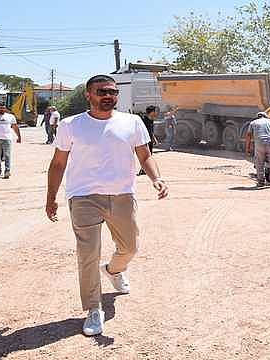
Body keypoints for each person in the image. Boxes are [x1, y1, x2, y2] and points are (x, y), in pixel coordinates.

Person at [45, 75, 169, 336]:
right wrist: (51, 197)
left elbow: (144, 154)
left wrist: (156, 178)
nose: (108, 96)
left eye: (112, 92)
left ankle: (114, 270)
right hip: (83, 197)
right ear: (88, 95)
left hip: (122, 194)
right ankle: (93, 308)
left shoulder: (132, 122)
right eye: (102, 91)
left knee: (130, 247)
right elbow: (58, 164)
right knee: (87, 253)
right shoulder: (70, 125)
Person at [245, 111, 270, 187]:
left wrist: (247, 148)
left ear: (257, 117)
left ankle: (261, 182)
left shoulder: (253, 123)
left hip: (260, 144)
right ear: (265, 116)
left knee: (259, 163)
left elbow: (248, 135)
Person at [0, 102, 22, 178]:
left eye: (2, 108)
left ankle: (7, 171)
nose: (1, 109)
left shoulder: (10, 116)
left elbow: (15, 126)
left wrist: (19, 136)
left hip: (7, 138)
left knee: (7, 155)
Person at [138, 105, 159, 175]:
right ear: (152, 112)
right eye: (155, 111)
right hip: (144, 141)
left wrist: (154, 139)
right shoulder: (143, 120)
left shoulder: (151, 120)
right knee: (145, 156)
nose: (156, 112)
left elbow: (151, 131)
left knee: (149, 156)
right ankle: (143, 169)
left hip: (150, 141)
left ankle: (144, 169)